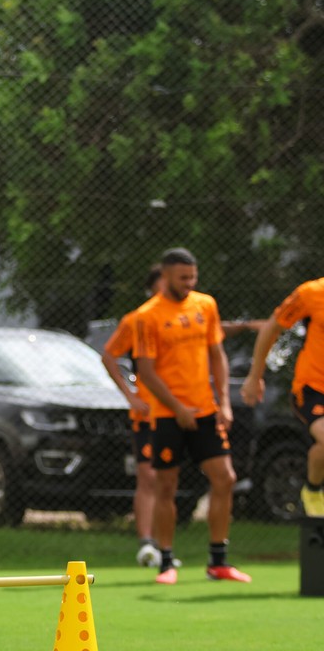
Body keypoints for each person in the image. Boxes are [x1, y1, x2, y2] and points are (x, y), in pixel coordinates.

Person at [133, 248, 251, 584]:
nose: (189, 283)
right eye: (183, 278)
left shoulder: (205, 305)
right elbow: (146, 370)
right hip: (168, 415)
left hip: (205, 411)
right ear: (166, 275)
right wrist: (177, 408)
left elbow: (217, 354)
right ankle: (166, 562)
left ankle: (218, 561)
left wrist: (223, 402)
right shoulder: (147, 315)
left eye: (193, 277)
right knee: (166, 485)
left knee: (225, 478)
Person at [240, 278, 324, 517]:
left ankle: (314, 486)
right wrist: (255, 376)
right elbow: (272, 327)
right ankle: (314, 489)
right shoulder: (312, 293)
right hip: (313, 388)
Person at [101, 265, 163, 567]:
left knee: (171, 478)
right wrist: (130, 395)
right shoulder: (138, 320)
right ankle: (147, 543)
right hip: (150, 413)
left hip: (184, 411)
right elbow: (109, 354)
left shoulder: (193, 311)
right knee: (149, 476)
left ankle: (168, 549)